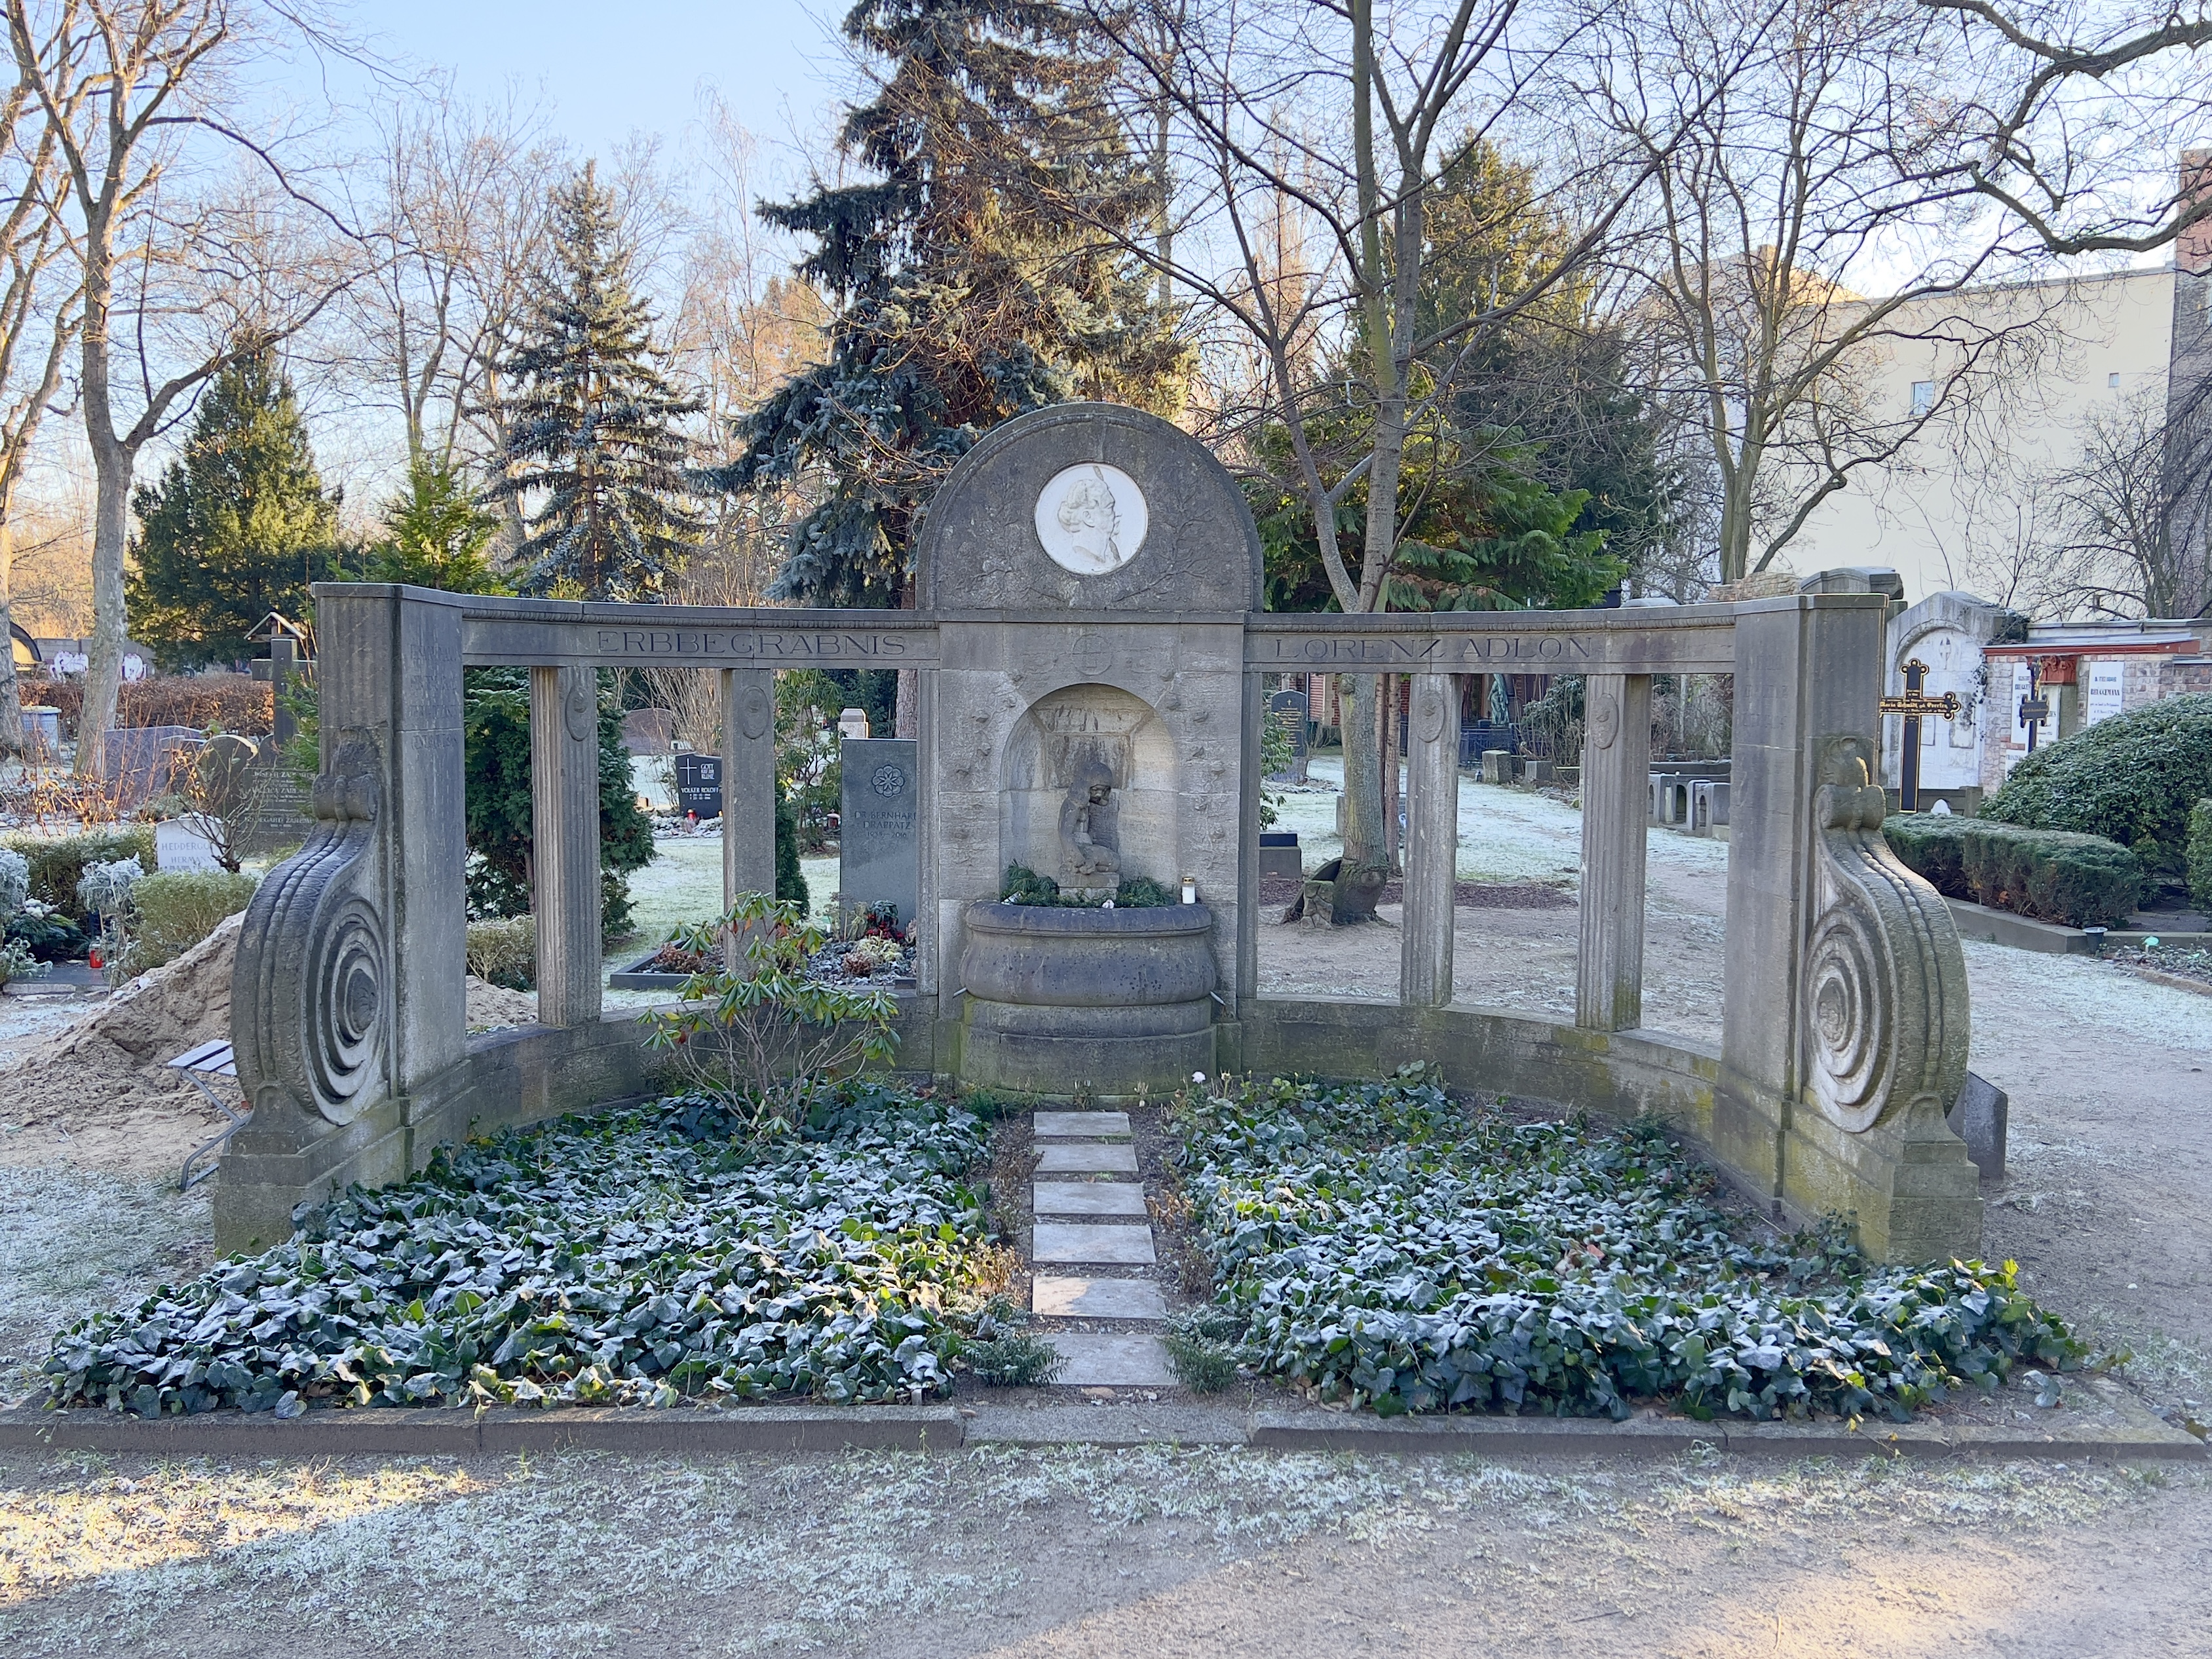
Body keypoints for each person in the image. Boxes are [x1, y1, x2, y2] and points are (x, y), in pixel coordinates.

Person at [1058, 759, 1120, 884]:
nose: (1099, 794)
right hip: (1078, 849)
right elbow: (1064, 833)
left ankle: (1091, 863)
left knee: (1115, 863)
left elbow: (1101, 802)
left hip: (1086, 848)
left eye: (1103, 791)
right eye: (1096, 789)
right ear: (1086, 786)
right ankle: (1087, 863)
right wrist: (1077, 858)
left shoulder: (1083, 804)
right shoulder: (1072, 804)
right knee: (1115, 861)